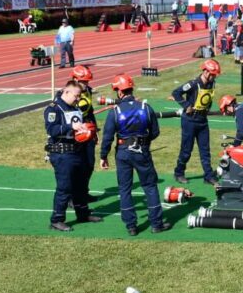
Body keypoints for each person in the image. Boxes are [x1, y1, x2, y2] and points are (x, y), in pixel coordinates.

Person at [99, 74, 171, 236]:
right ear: (131, 89)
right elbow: (155, 132)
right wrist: (144, 142)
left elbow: (108, 137)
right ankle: (156, 224)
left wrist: (104, 156)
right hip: (142, 151)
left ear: (119, 92)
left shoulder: (115, 111)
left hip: (123, 152)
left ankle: (131, 226)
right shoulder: (146, 107)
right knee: (150, 186)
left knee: (125, 189)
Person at [44, 80, 103, 232]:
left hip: (78, 151)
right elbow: (52, 130)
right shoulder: (53, 109)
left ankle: (82, 214)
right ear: (67, 92)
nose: (78, 99)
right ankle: (57, 220)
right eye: (76, 96)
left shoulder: (74, 107)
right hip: (63, 154)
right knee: (65, 188)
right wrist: (71, 127)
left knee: (81, 185)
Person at [171, 59, 221, 186]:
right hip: (190, 121)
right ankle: (179, 173)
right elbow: (176, 93)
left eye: (214, 75)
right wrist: (186, 105)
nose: (213, 77)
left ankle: (208, 175)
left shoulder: (211, 83)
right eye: (211, 74)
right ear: (205, 71)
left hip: (202, 121)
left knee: (205, 150)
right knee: (186, 150)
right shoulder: (193, 84)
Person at [71, 65, 101, 202]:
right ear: (75, 79)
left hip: (88, 132)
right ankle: (72, 197)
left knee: (89, 163)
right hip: (75, 135)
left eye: (87, 81)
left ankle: (83, 192)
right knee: (76, 165)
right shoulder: (67, 95)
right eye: (83, 82)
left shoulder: (88, 91)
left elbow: (90, 112)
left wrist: (95, 130)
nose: (86, 84)